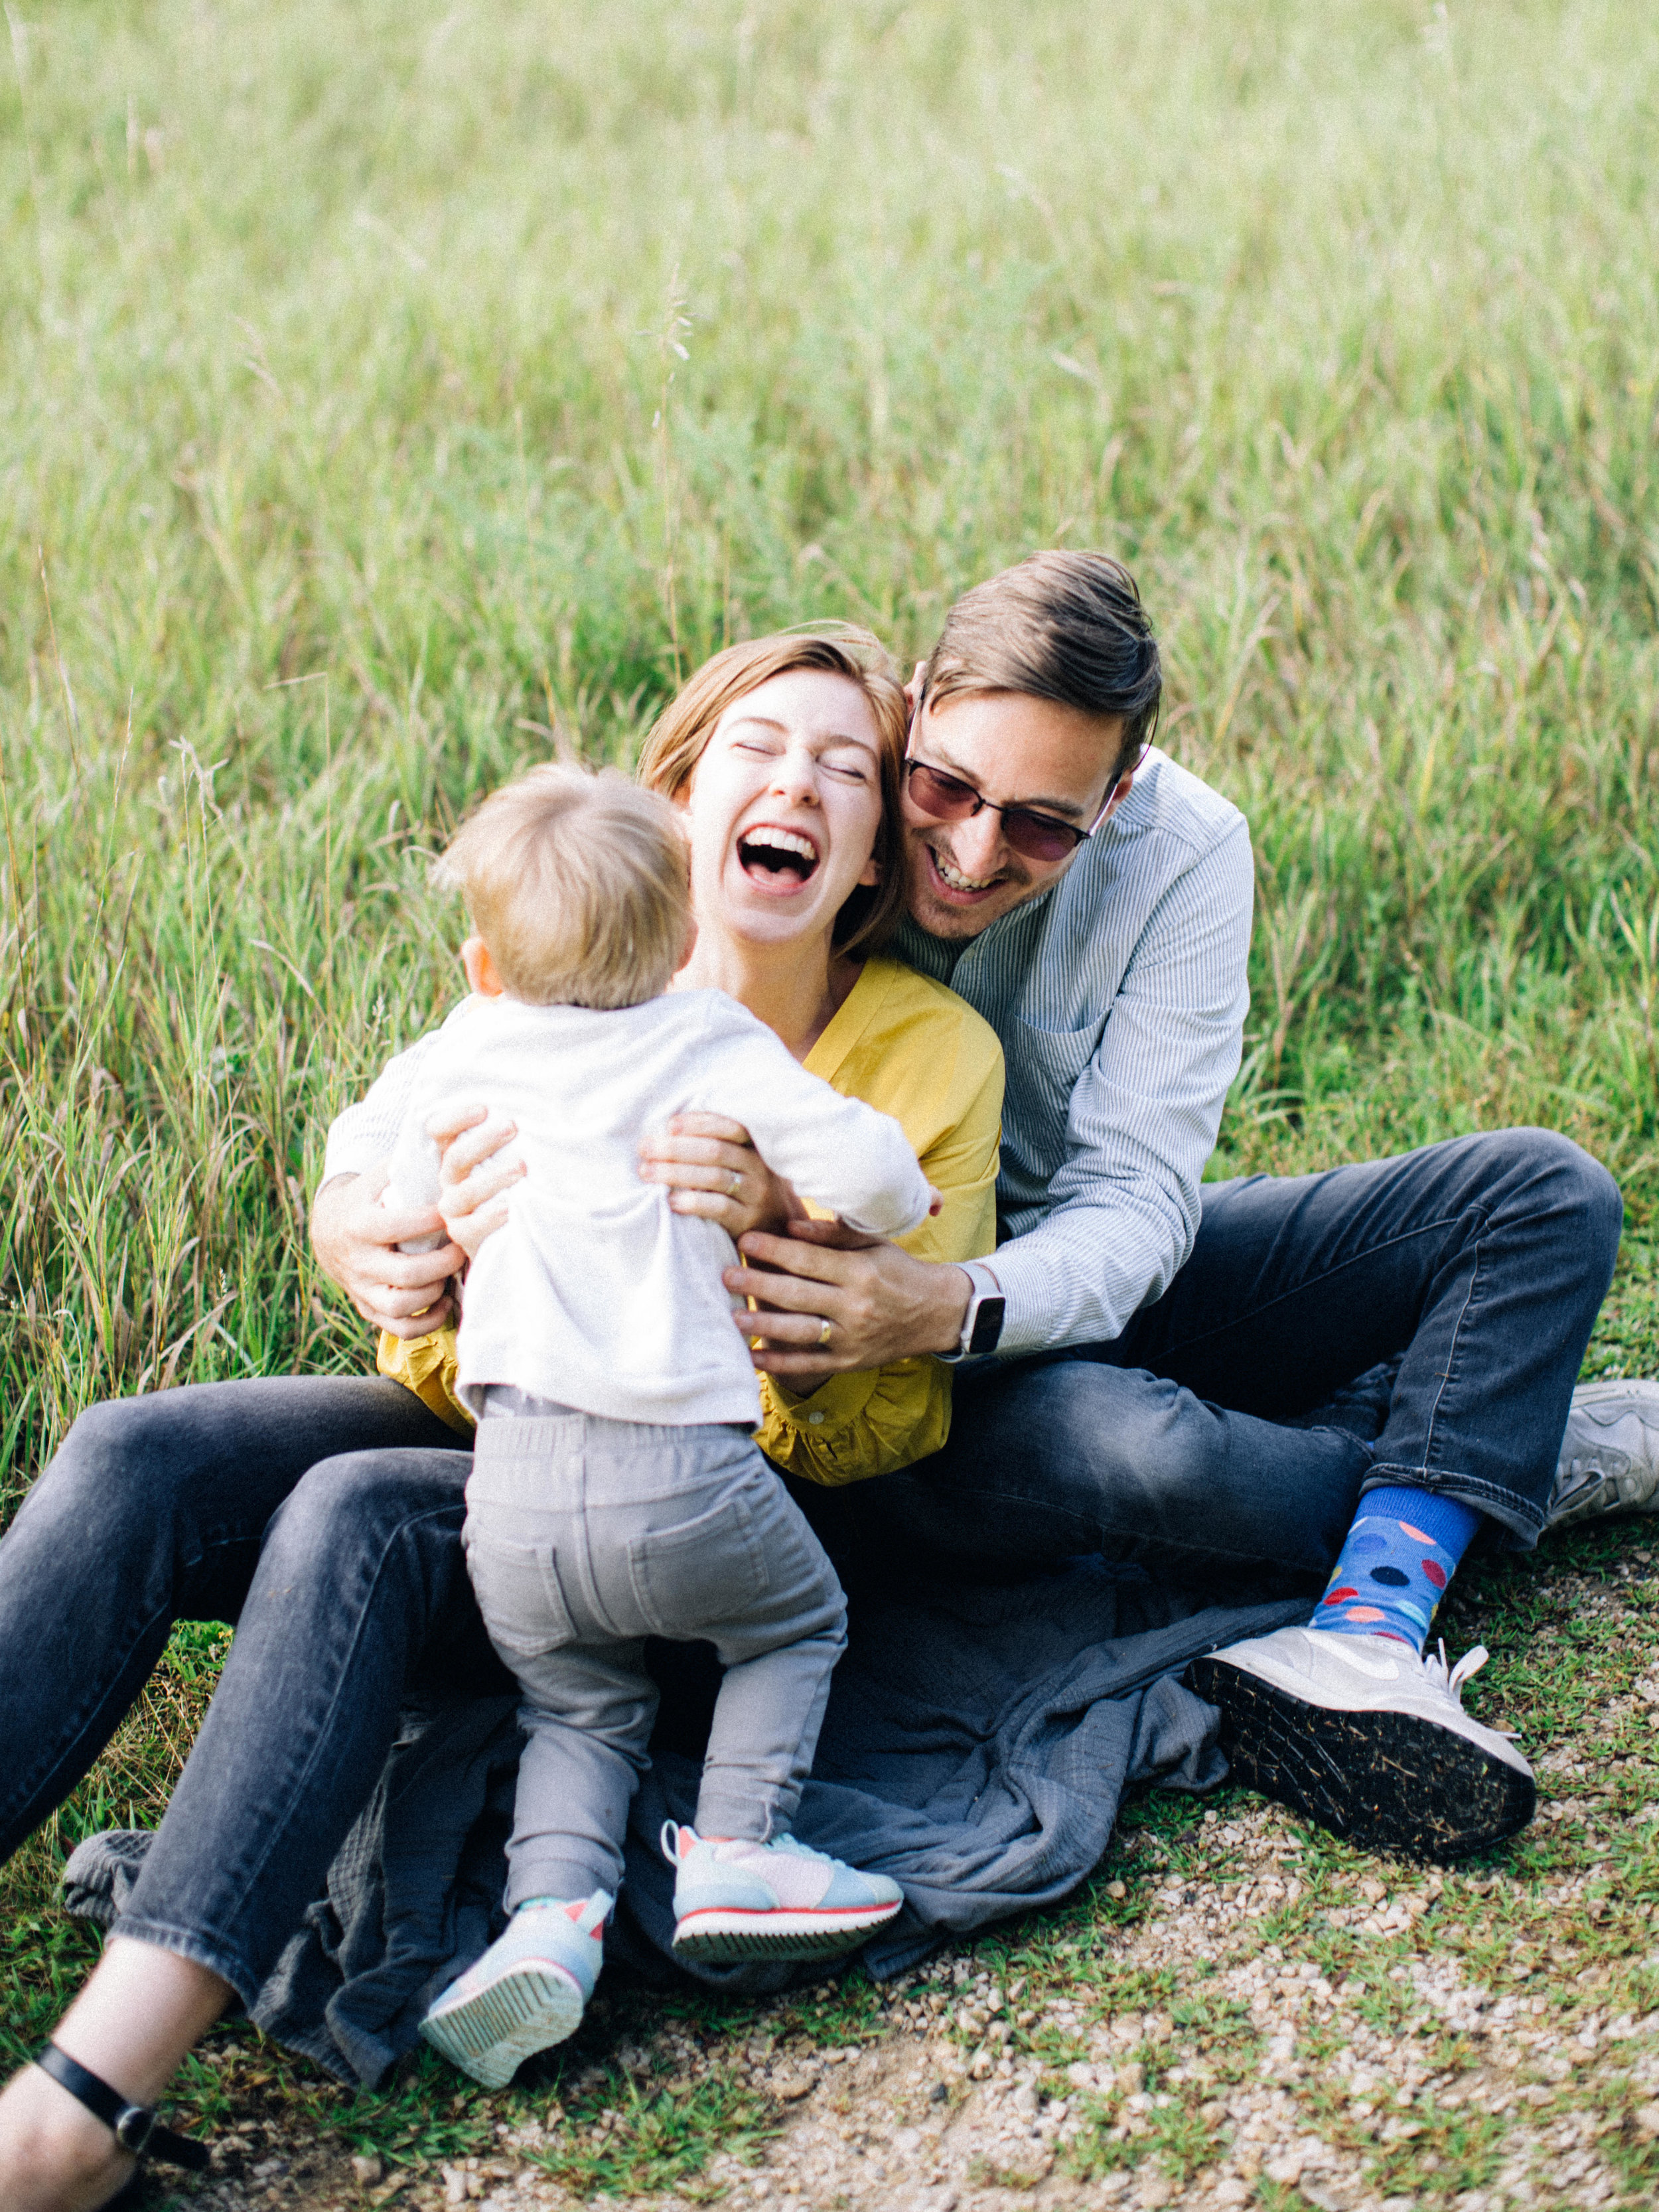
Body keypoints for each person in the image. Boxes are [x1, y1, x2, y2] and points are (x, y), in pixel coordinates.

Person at [0, 627, 1003, 2212]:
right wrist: (377, 1244)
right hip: (502, 1440)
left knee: (348, 1515)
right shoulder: (555, 975)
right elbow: (387, 1193)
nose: (796, 781)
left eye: (846, 765)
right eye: (756, 743)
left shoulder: (924, 1052)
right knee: (139, 1451)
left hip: (716, 1514)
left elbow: (901, 1420)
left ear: (877, 843)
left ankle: (75, 2104)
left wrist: (781, 1243)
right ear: (673, 798)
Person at [673, 551, 1636, 1866]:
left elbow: (1132, 1197)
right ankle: (1490, 1464)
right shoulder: (813, 789)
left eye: (1038, 825)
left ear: (1115, 796)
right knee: (1146, 1454)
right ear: (911, 706)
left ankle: (1360, 1629)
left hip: (1025, 1290)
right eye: (944, 787)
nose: (966, 851)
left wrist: (947, 1301)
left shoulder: (1185, 848)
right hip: (887, 1393)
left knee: (1536, 1191)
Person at [373, 762, 933, 2083]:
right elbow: (885, 1181)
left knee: (574, 1702)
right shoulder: (710, 1037)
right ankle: (739, 1843)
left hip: (507, 1488)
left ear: (483, 963)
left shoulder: (467, 1044)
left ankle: (548, 1923)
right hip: (681, 1471)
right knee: (794, 1623)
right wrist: (843, 1193)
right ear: (687, 944)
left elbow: (403, 1194)